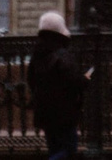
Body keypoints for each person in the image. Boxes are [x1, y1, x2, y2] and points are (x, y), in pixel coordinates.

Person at [26, 12, 86, 160]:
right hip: (64, 111)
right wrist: (85, 79)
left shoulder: (38, 53)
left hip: (44, 110)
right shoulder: (62, 54)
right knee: (68, 149)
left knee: (54, 148)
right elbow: (73, 81)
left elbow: (31, 79)